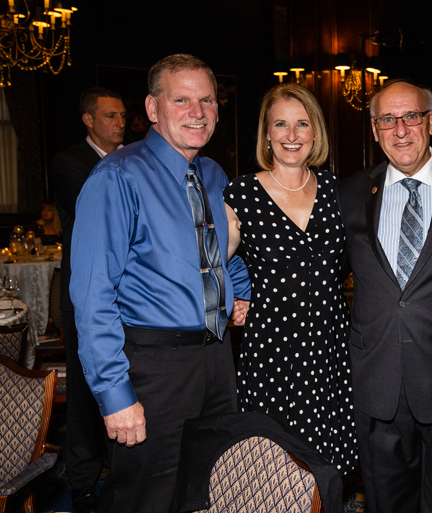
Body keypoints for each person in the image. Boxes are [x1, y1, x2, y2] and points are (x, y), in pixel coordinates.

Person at [69, 54, 250, 513]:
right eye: (182, 100)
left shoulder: (212, 174)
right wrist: (114, 394)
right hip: (153, 369)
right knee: (147, 498)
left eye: (207, 100)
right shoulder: (116, 177)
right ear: (152, 109)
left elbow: (216, 251)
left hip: (216, 359)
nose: (198, 111)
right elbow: (92, 298)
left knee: (211, 491)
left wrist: (238, 287)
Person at [337, 80, 432, 512]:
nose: (400, 130)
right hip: (376, 382)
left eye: (411, 116)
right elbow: (317, 273)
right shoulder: (350, 194)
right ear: (375, 129)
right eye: (387, 120)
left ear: (430, 122)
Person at [223, 83, 357, 475]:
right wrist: (240, 290)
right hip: (273, 349)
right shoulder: (242, 192)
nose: (292, 135)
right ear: (267, 133)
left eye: (302, 124)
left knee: (329, 464)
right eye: (281, 124)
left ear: (315, 131)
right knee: (275, 467)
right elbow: (212, 260)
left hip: (331, 346)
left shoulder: (338, 190)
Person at [51, 86, 125, 513]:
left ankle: (122, 478)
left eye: (122, 116)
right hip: (84, 295)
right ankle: (81, 485)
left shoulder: (132, 160)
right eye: (111, 116)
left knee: (125, 388)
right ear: (89, 120)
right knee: (84, 395)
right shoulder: (70, 163)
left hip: (125, 299)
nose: (120, 122)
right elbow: (98, 213)